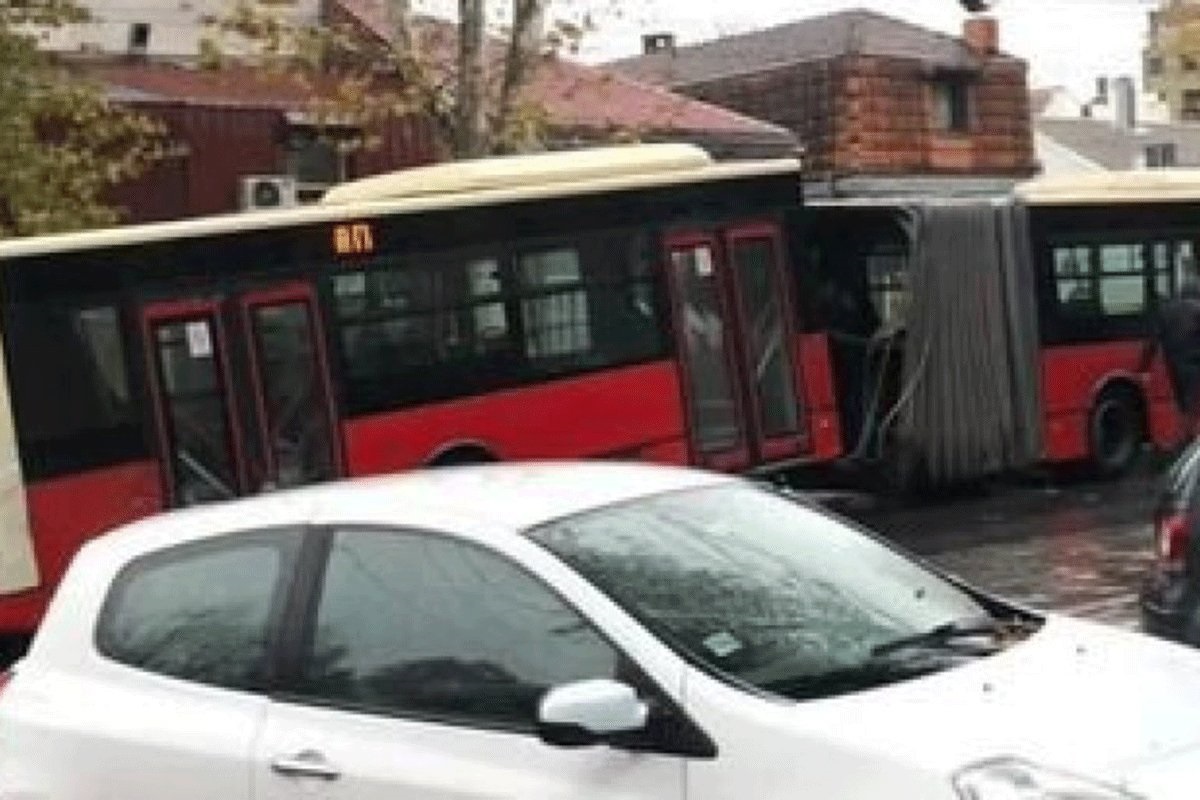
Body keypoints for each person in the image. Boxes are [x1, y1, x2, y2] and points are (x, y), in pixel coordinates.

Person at [1142, 264, 1200, 446]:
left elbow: (1153, 340)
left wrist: (1143, 368)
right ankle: (1188, 438)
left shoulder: (1166, 310)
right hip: (1195, 362)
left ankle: (1186, 436)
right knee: (1192, 402)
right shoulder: (1197, 310)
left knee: (1183, 402)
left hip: (1173, 364)